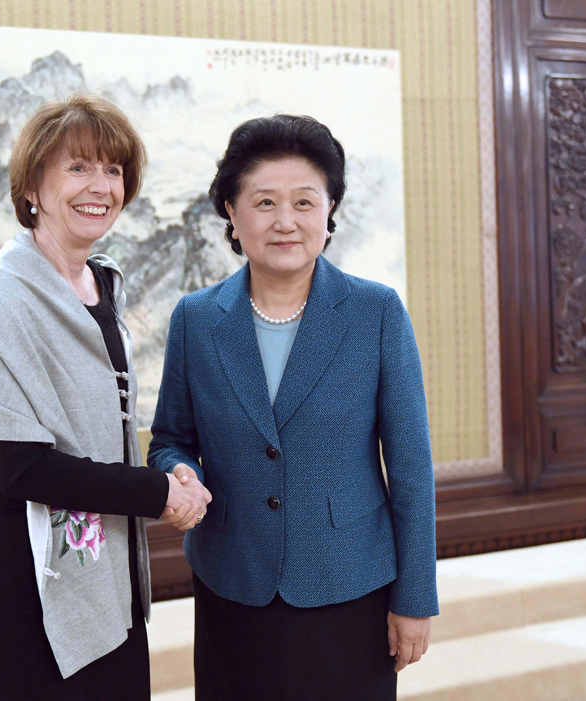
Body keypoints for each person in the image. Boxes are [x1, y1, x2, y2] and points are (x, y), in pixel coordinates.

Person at [148, 114, 438, 700]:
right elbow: (170, 439)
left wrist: (415, 597)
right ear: (232, 212)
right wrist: (179, 471)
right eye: (264, 202)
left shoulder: (376, 312)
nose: (286, 221)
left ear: (328, 213)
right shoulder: (197, 320)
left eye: (305, 202)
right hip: (233, 583)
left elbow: (411, 467)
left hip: (349, 583)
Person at [0, 95, 211, 700]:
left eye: (113, 170)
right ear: (32, 186)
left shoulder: (102, 282)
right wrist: (158, 493)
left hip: (108, 575)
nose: (101, 186)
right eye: (79, 167)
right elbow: (20, 467)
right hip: (22, 585)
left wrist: (171, 475)